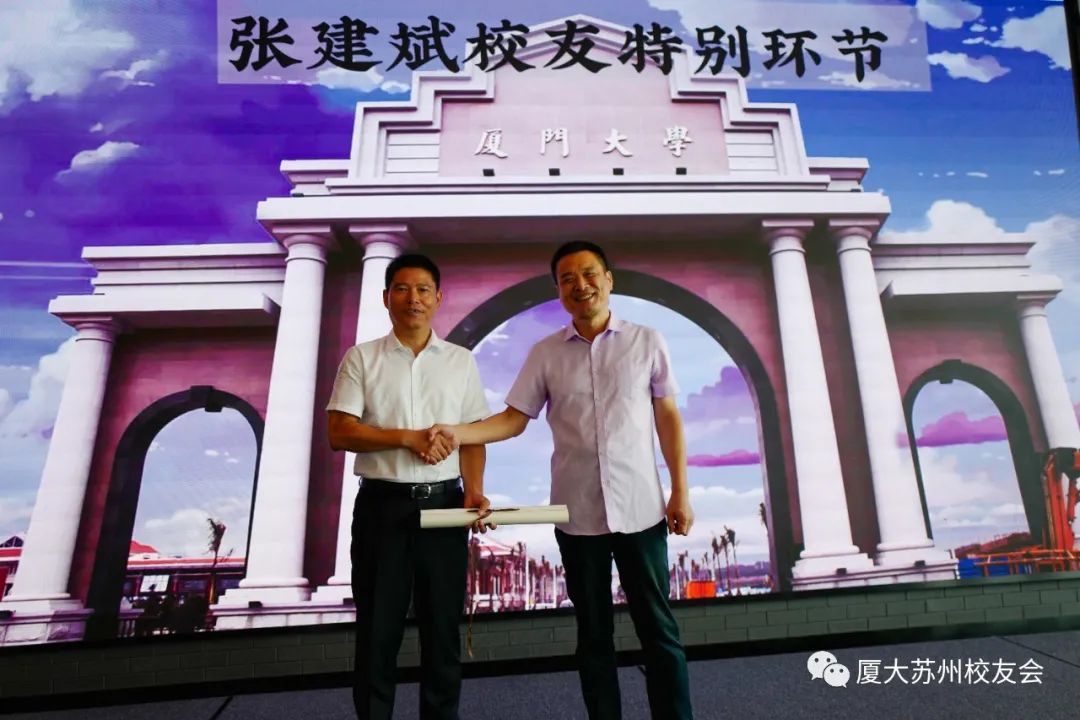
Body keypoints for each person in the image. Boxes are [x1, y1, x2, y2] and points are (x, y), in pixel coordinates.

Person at [432, 241, 695, 720]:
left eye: (589, 274)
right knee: (593, 636)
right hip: (577, 517)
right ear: (558, 290)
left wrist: (680, 491)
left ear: (609, 279)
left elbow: (668, 419)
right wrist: (457, 433)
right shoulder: (545, 353)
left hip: (641, 511)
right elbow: (513, 420)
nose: (580, 285)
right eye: (567, 279)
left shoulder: (647, 341)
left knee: (659, 631)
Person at [327, 253, 491, 720]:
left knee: (442, 633)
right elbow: (340, 432)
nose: (412, 298)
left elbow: (473, 436)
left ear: (438, 298)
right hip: (383, 509)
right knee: (377, 634)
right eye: (401, 288)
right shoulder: (361, 358)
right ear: (386, 298)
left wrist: (474, 490)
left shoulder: (460, 362)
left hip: (446, 507)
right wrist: (408, 438)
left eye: (422, 289)